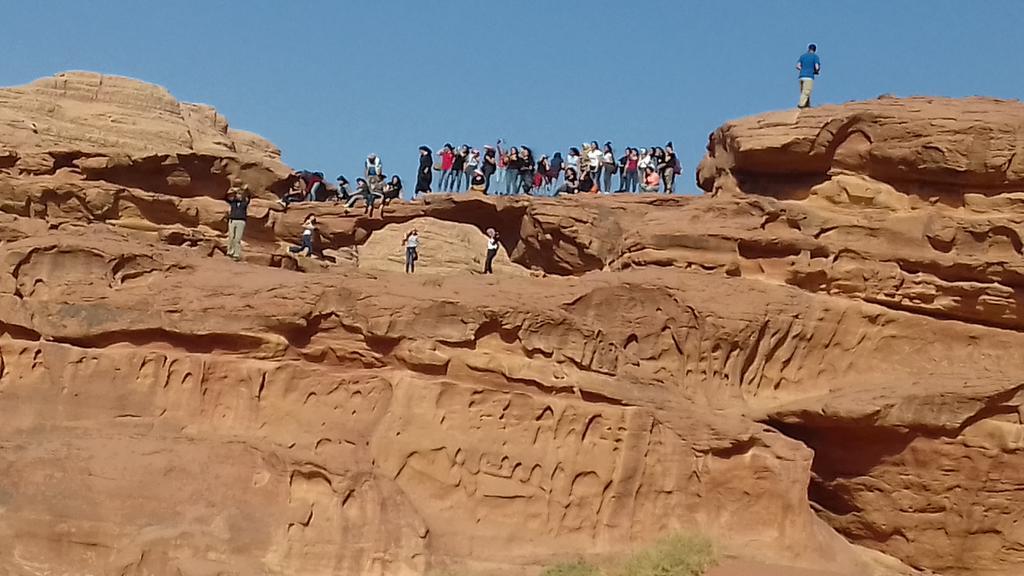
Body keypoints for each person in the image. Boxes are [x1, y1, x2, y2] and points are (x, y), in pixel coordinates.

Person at [224, 185, 250, 261]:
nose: (238, 196)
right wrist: (232, 190)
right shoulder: (233, 202)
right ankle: (230, 252)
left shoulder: (244, 203)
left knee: (237, 238)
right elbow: (226, 197)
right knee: (231, 236)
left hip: (241, 221)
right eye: (237, 194)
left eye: (240, 194)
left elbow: (249, 197)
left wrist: (246, 190)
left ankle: (236, 254)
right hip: (232, 220)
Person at [797, 44, 821, 109]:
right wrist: (816, 71)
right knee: (806, 92)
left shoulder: (803, 56)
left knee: (803, 91)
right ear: (815, 50)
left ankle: (807, 106)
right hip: (809, 77)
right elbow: (817, 67)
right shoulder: (815, 57)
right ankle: (801, 105)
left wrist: (802, 69)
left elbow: (798, 66)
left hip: (801, 76)